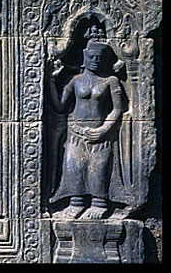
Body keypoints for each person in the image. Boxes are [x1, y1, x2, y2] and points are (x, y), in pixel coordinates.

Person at [47, 28, 123, 219]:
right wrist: (50, 80)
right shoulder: (75, 80)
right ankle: (76, 202)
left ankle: (99, 203)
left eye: (100, 57)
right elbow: (60, 106)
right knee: (73, 166)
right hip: (75, 132)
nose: (96, 60)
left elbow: (117, 109)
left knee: (99, 167)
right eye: (92, 56)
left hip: (100, 135)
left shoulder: (110, 81)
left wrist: (105, 129)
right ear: (85, 57)